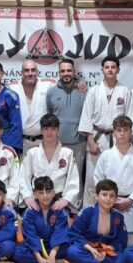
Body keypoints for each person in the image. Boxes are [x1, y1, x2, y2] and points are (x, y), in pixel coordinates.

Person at [78, 56, 133, 206]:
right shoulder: (93, 91)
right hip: (97, 139)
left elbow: (130, 116)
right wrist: (90, 141)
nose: (110, 70)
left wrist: (126, 141)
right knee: (92, 178)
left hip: (118, 139)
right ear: (102, 70)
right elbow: (86, 117)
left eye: (113, 67)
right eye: (107, 67)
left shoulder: (125, 91)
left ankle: (113, 208)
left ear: (118, 70)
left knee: (114, 175)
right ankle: (89, 210)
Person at [93, 116, 133, 232]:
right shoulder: (106, 155)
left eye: (125, 130)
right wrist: (109, 199)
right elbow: (98, 179)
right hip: (108, 204)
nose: (122, 134)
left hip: (131, 204)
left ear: (131, 132)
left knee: (130, 238)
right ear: (114, 132)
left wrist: (130, 200)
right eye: (119, 130)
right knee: (106, 237)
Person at [66, 179, 131, 263]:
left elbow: (120, 240)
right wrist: (91, 249)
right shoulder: (87, 212)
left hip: (104, 252)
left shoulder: (118, 217)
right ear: (96, 196)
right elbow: (75, 234)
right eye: (104, 194)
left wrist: (106, 250)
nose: (108, 199)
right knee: (72, 251)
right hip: (87, 249)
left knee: (121, 259)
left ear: (116, 199)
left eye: (112, 196)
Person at [46, 59, 87, 206]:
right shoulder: (51, 92)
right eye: (63, 71)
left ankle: (76, 208)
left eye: (69, 70)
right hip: (58, 143)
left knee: (77, 177)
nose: (66, 74)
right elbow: (50, 116)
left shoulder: (84, 90)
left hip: (79, 142)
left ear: (74, 72)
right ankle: (55, 206)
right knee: (58, 177)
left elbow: (88, 116)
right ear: (59, 73)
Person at [18, 114, 80, 212]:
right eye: (46, 129)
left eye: (53, 129)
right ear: (41, 131)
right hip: (36, 201)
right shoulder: (32, 153)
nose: (49, 132)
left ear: (58, 131)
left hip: (58, 201)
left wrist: (66, 199)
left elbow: (73, 179)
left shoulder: (67, 153)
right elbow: (23, 178)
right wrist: (27, 197)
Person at [13, 176, 70, 263]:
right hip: (36, 247)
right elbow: (30, 236)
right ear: (35, 194)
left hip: (55, 246)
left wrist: (53, 254)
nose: (45, 195)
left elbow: (60, 233)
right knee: (17, 253)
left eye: (48, 192)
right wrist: (39, 259)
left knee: (70, 249)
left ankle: (51, 259)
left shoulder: (59, 210)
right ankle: (54, 261)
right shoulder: (29, 211)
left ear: (53, 193)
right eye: (41, 192)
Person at [9, 60, 51, 157]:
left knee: (41, 172)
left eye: (33, 70)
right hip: (20, 142)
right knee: (22, 171)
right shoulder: (12, 88)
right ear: (21, 72)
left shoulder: (47, 86)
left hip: (43, 141)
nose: (30, 73)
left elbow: (64, 87)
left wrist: (78, 84)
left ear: (37, 72)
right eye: (27, 70)